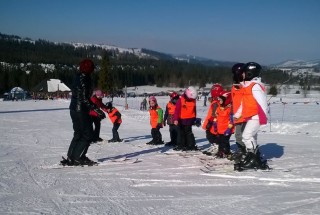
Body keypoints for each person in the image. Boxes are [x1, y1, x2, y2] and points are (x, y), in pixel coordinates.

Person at [62, 59, 105, 166]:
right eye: (92, 68)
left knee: (78, 133)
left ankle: (71, 156)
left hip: (74, 108)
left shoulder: (78, 76)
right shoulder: (84, 78)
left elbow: (82, 96)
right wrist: (95, 108)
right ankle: (79, 157)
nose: (93, 70)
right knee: (87, 134)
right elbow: (84, 98)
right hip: (80, 110)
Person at [233, 62, 269, 170]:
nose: (242, 75)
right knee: (250, 137)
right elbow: (244, 103)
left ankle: (254, 158)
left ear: (249, 73)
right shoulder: (248, 87)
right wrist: (237, 114)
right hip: (251, 116)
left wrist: (263, 119)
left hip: (256, 116)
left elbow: (263, 104)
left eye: (243, 73)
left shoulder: (255, 87)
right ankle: (253, 157)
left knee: (246, 136)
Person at [230, 63, 247, 160]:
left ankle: (246, 151)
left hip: (244, 115)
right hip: (236, 115)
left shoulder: (245, 86)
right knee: (237, 135)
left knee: (244, 135)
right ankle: (241, 150)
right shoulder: (234, 86)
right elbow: (233, 100)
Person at [173, 86, 198, 151]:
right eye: (190, 98)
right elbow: (176, 110)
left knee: (189, 133)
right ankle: (181, 145)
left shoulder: (193, 101)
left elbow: (194, 110)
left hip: (189, 120)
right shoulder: (180, 100)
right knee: (181, 133)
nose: (191, 99)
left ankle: (191, 145)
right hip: (181, 120)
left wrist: (195, 118)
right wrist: (175, 119)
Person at [202, 83, 223, 155]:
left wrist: (210, 122)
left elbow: (214, 113)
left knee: (212, 135)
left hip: (214, 122)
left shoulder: (216, 102)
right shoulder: (216, 101)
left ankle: (217, 147)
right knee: (210, 134)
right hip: (212, 121)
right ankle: (215, 145)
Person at [215, 91, 234, 158]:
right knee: (220, 141)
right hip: (220, 129)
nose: (219, 101)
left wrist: (229, 129)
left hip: (226, 129)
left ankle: (227, 152)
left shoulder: (230, 109)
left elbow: (232, 120)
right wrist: (215, 124)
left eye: (220, 99)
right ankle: (221, 151)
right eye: (219, 99)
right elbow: (216, 117)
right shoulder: (219, 108)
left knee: (225, 141)